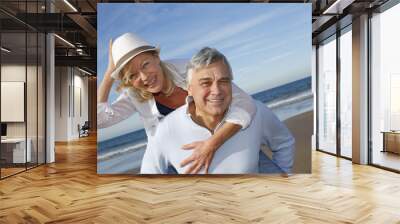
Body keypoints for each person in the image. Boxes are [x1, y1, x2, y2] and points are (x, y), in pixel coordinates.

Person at [97, 33, 256, 174]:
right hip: (180, 165)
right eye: (133, 75)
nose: (144, 77)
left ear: (156, 57)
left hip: (227, 144)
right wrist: (109, 73)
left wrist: (212, 144)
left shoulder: (190, 69)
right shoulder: (134, 95)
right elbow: (99, 120)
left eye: (145, 64)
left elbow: (244, 102)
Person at [140, 47, 295, 174]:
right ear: (189, 89)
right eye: (205, 83)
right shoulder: (165, 130)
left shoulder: (256, 113)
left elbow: (284, 143)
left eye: (224, 81)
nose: (216, 91)